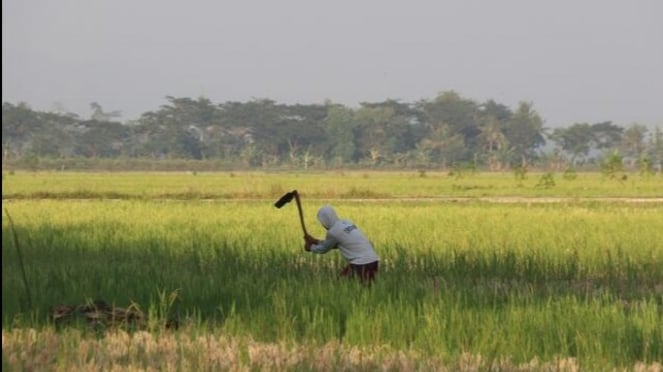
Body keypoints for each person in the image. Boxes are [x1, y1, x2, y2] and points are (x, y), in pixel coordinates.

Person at [304, 204, 379, 283]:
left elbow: (323, 249)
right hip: (373, 260)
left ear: (325, 221)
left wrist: (310, 247)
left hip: (360, 263)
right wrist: (315, 241)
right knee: (366, 288)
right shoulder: (346, 222)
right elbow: (336, 244)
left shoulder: (333, 232)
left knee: (341, 284)